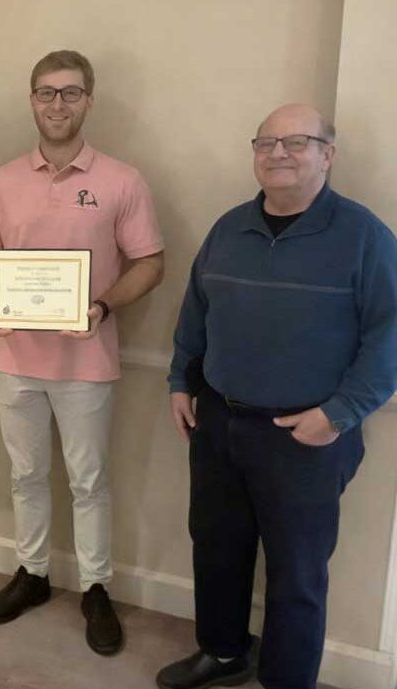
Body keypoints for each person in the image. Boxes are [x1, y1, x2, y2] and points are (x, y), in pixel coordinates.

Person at [158, 104, 397, 689]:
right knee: (216, 548)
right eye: (266, 143)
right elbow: (196, 314)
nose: (279, 153)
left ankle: (288, 680)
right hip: (217, 424)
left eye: (297, 141)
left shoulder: (363, 236)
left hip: (306, 438)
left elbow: (390, 335)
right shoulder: (228, 228)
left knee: (297, 573)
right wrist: (180, 382)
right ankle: (223, 652)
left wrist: (337, 416)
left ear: (327, 155)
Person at [0, 50, 164, 654]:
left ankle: (96, 587)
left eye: (70, 93)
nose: (58, 104)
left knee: (88, 481)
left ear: (89, 100)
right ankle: (33, 575)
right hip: (14, 361)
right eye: (47, 93)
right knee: (26, 476)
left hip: (86, 362)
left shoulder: (121, 181)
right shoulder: (2, 181)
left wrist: (100, 307)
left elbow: (151, 263)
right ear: (31, 100)